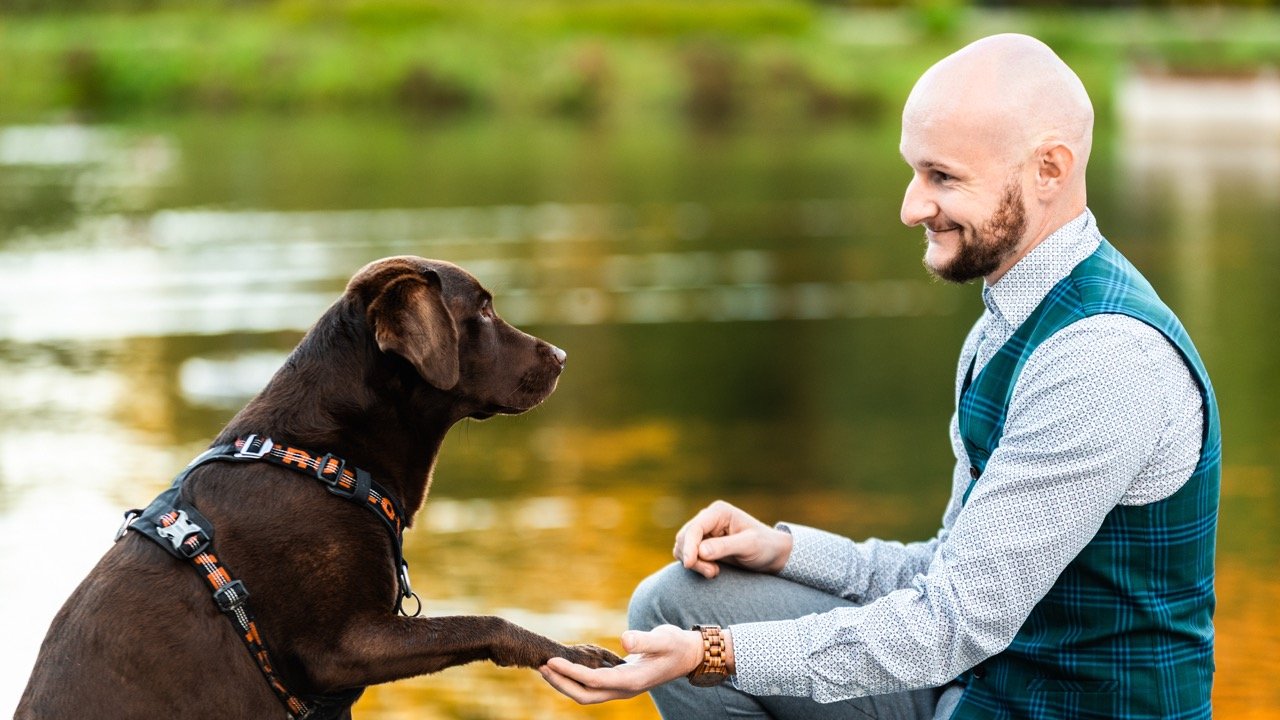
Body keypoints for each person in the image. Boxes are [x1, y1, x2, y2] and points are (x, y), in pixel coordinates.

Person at [540, 32, 1219, 720]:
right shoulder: (1011, 318)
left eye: (943, 178)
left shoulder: (1099, 359)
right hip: (981, 688)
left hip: (1065, 707)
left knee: (697, 639)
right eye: (914, 172)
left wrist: (716, 655)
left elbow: (952, 624)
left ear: (1049, 168)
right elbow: (947, 568)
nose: (911, 207)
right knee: (677, 601)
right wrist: (788, 550)